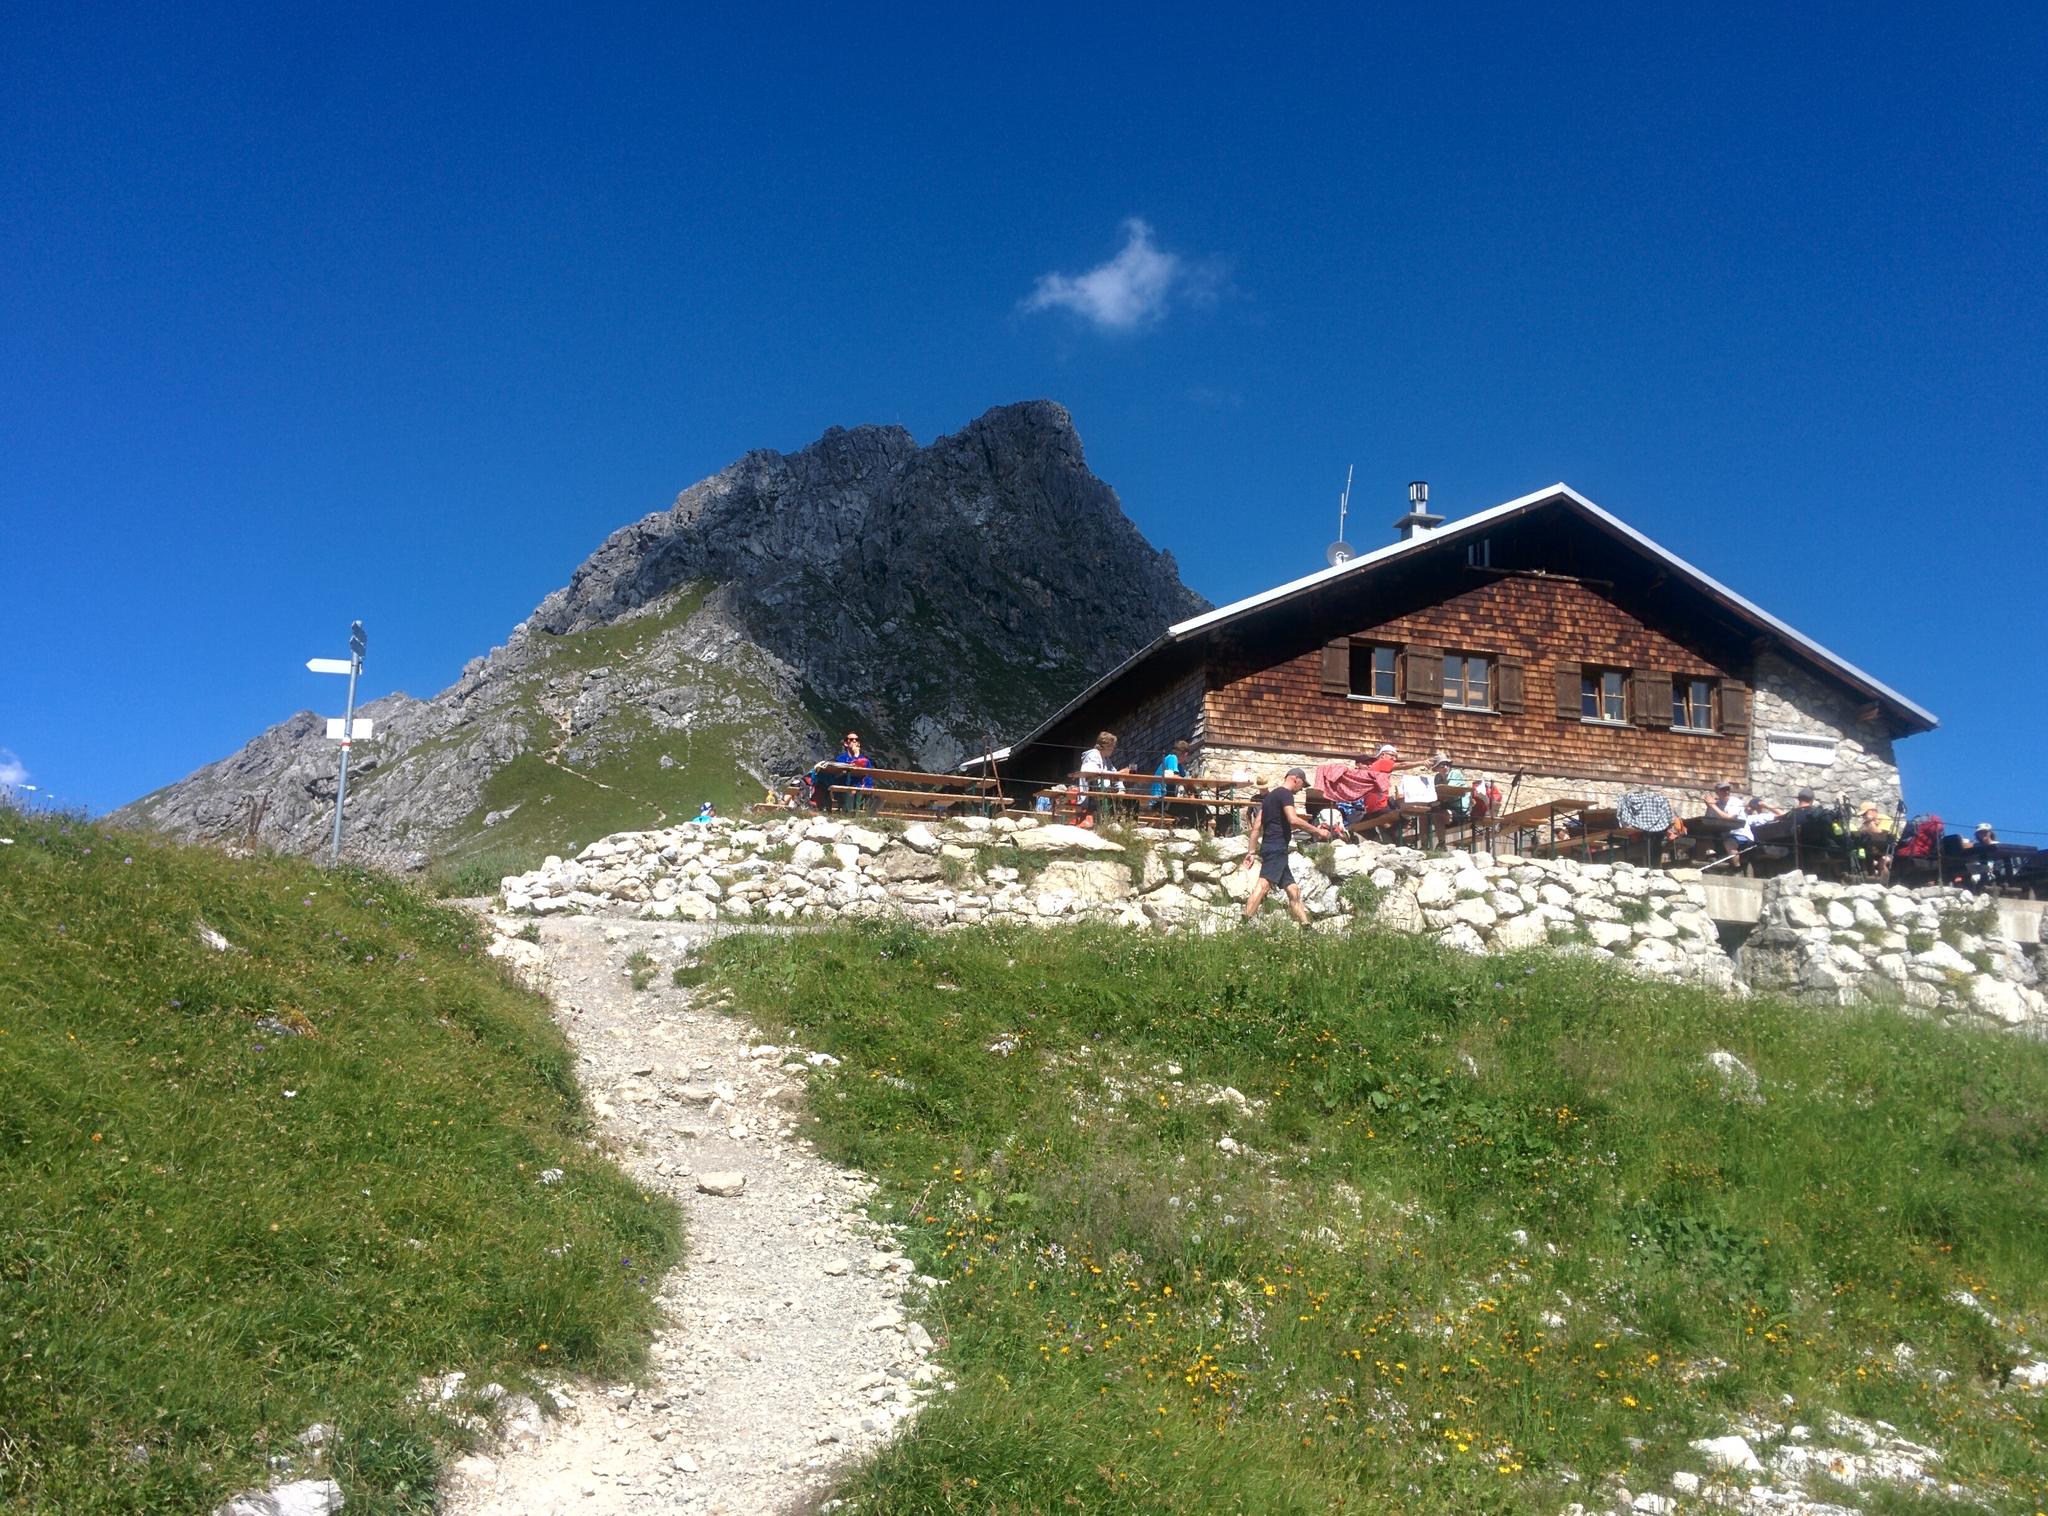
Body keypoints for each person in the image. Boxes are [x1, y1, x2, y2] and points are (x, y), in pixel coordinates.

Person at [1242, 767, 1334, 925]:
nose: (1301, 790)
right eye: (1302, 785)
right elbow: (1293, 819)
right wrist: (1318, 831)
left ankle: (1306, 926)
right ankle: (1244, 923)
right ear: (1295, 779)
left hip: (1270, 847)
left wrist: (1251, 851)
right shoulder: (1285, 794)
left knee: (1293, 890)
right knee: (1263, 885)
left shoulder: (1269, 799)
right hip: (1277, 847)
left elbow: (1256, 826)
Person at [1075, 731, 1122, 828]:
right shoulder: (1093, 755)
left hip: (1101, 792)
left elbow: (1114, 772)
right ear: (1105, 746)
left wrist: (1121, 789)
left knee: (1125, 800)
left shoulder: (1106, 759)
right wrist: (1116, 775)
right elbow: (1092, 772)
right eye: (1112, 746)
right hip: (1091, 794)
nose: (1113, 749)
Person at [1426, 753, 1470, 847]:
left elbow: (1448, 792)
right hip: (1446, 807)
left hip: (1460, 810)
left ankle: (1441, 843)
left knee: (1438, 814)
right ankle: (1426, 844)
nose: (1445, 767)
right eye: (1442, 765)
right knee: (1425, 815)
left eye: (1447, 764)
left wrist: (1436, 798)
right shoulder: (1437, 778)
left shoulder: (1455, 773)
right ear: (1437, 768)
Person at [832, 732, 875, 814]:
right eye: (851, 739)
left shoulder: (865, 760)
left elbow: (869, 775)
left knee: (874, 792)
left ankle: (867, 814)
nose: (854, 741)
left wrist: (867, 787)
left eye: (857, 740)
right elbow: (839, 775)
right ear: (846, 743)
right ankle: (848, 811)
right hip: (845, 786)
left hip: (860, 787)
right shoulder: (841, 758)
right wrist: (856, 756)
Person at [1149, 741, 1190, 815]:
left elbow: (1183, 778)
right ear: (1185, 754)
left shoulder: (1179, 765)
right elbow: (1174, 777)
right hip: (1160, 798)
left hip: (1167, 798)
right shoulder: (1172, 758)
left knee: (1189, 807)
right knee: (1189, 809)